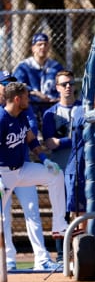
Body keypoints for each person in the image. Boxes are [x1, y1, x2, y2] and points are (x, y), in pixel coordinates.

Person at [0, 82, 68, 262]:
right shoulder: (1, 119)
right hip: (3, 174)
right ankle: (7, 259)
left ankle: (59, 225)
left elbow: (31, 140)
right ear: (16, 99)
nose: (28, 100)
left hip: (22, 169)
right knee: (2, 219)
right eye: (25, 97)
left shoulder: (21, 115)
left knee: (56, 175)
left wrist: (45, 160)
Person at [42, 69, 82, 261]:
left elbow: (87, 138)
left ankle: (83, 251)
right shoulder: (51, 113)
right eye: (64, 84)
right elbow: (50, 144)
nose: (68, 87)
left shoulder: (83, 109)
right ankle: (61, 255)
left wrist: (63, 141)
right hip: (60, 170)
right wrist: (74, 139)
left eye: (71, 83)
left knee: (82, 210)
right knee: (61, 213)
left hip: (81, 168)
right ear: (57, 88)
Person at [13, 32, 64, 116]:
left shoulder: (56, 67)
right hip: (31, 107)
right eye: (39, 44)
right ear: (33, 48)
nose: (42, 47)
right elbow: (16, 85)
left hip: (53, 106)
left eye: (45, 44)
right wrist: (35, 93)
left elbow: (64, 84)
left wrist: (59, 98)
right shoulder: (24, 67)